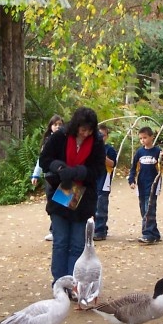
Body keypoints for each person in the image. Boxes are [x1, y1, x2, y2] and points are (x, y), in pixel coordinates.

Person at [39, 107, 106, 283]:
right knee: (60, 241)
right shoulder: (60, 136)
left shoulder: (96, 142)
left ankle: (73, 282)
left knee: (77, 244)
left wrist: (79, 171)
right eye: (83, 129)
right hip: (62, 191)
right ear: (76, 125)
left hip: (84, 195)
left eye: (89, 130)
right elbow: (44, 160)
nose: (86, 134)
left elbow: (99, 169)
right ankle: (59, 282)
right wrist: (60, 168)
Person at [128, 126, 163, 244]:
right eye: (141, 138)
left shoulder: (157, 152)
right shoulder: (139, 152)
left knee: (149, 209)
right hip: (141, 186)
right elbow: (133, 167)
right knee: (144, 210)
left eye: (145, 137)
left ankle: (147, 234)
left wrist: (162, 158)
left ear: (151, 137)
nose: (143, 140)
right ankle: (154, 233)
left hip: (152, 186)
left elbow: (162, 168)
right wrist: (132, 180)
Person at [31, 114, 64, 241]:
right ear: (51, 127)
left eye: (60, 124)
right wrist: (36, 174)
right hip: (50, 178)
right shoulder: (47, 142)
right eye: (55, 124)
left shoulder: (67, 141)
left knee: (63, 203)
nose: (58, 127)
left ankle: (61, 229)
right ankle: (54, 229)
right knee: (52, 204)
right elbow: (42, 160)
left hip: (63, 177)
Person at [93, 124, 118, 241]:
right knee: (92, 207)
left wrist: (101, 155)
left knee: (101, 207)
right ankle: (93, 229)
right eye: (98, 135)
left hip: (104, 182)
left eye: (103, 135)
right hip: (92, 182)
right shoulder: (90, 148)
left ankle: (100, 230)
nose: (100, 137)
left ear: (106, 136)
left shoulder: (109, 149)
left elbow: (112, 164)